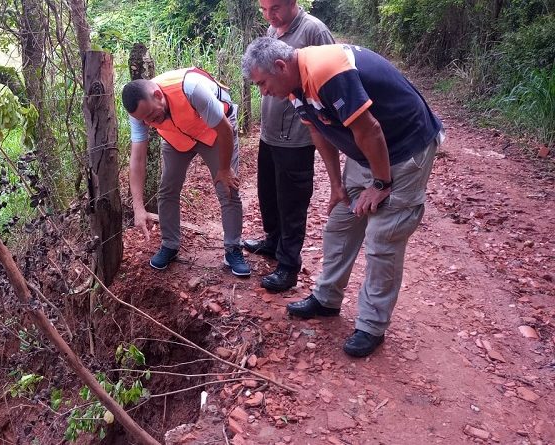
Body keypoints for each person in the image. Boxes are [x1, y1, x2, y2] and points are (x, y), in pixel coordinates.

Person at [242, 38, 444, 357]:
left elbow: (371, 129)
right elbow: (319, 132)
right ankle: (326, 299)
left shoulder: (326, 70)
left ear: (280, 67)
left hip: (405, 148)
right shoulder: (294, 85)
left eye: (263, 83)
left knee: (383, 238)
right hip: (367, 153)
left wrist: (380, 183)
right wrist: (337, 185)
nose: (263, 92)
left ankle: (371, 326)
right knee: (340, 224)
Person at [122, 67, 251, 277]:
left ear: (157, 95)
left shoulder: (191, 88)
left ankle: (233, 249)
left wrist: (225, 169)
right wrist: (138, 208)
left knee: (227, 188)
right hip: (177, 139)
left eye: (152, 116)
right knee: (167, 190)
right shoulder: (139, 114)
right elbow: (137, 159)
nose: (149, 123)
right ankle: (170, 245)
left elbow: (224, 129)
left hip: (215, 132)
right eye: (144, 120)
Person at [243, 0, 334, 292]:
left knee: (292, 203)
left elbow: (330, 78)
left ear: (294, 2)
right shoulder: (272, 31)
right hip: (269, 133)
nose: (271, 15)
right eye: (264, 9)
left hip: (297, 137)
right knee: (268, 194)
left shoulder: (314, 31)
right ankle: (272, 242)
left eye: (276, 7)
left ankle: (288, 265)